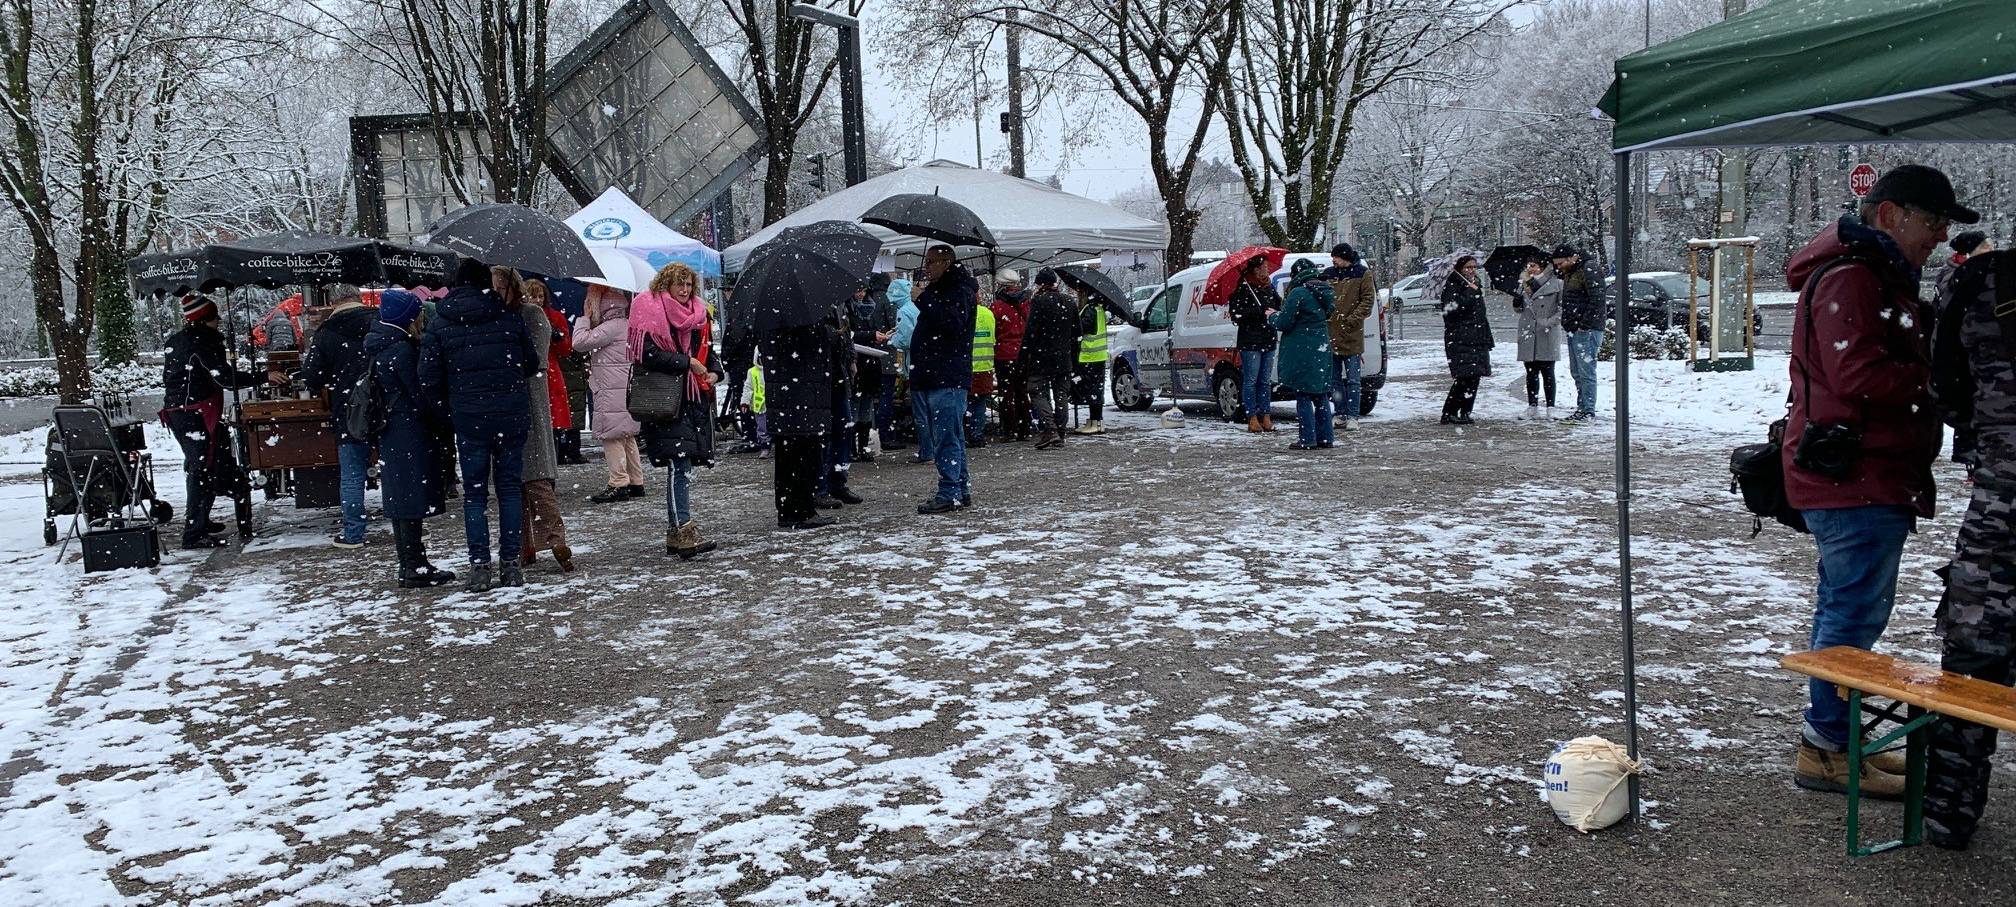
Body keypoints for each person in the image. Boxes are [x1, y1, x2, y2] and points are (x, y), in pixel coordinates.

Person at [1784, 163, 1968, 798]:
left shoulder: (1873, 274)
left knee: (1848, 607)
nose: (1941, 235)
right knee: (1853, 613)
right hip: (1855, 477)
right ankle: (1827, 747)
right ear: (1890, 215)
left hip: (1866, 474)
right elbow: (1856, 373)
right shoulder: (1855, 278)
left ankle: (1834, 741)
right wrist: (1940, 381)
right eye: (1934, 221)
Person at [1925, 247, 2014, 850]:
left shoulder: (1980, 280)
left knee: (1974, 656)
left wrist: (1988, 435)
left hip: (2002, 501)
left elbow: (1944, 384)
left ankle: (1949, 812)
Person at [420, 260, 540, 593]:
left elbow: (428, 377)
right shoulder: (508, 317)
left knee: (474, 494)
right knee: (509, 489)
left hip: (469, 418)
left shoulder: (441, 321)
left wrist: (450, 411)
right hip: (510, 415)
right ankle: (511, 564)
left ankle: (480, 566)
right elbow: (530, 363)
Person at [159, 293, 268, 550]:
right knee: (201, 469)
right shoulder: (203, 342)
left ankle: (200, 521)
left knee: (202, 466)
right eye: (215, 316)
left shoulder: (178, 340)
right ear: (204, 319)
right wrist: (262, 377)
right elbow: (224, 378)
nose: (219, 321)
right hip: (194, 413)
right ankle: (193, 533)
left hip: (180, 412)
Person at [362, 290, 455, 588]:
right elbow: (420, 393)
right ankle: (414, 565)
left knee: (400, 497)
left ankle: (409, 563)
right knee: (411, 497)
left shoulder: (379, 343)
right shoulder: (401, 348)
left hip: (391, 430)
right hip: (409, 430)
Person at [631, 263, 722, 555]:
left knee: (682, 465)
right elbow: (646, 354)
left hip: (692, 398)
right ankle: (683, 529)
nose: (684, 290)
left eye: (688, 284)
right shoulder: (650, 309)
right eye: (679, 284)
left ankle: (677, 532)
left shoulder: (698, 313)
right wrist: (685, 363)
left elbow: (706, 350)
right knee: (678, 463)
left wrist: (714, 371)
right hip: (665, 399)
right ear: (666, 285)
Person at [297, 284, 378, 548]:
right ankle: (409, 526)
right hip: (385, 405)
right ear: (358, 298)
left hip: (349, 409)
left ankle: (354, 533)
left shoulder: (326, 332)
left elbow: (312, 376)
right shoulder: (379, 321)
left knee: (352, 474)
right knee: (394, 469)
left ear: (334, 302)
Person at [910, 244, 978, 513]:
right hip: (940, 373)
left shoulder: (957, 290)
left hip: (945, 375)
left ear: (946, 263)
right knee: (952, 435)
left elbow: (952, 324)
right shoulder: (948, 289)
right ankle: (959, 488)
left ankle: (950, 491)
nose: (926, 267)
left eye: (931, 262)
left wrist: (923, 299)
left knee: (946, 436)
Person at [516, 277, 573, 573]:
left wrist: (558, 336)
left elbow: (557, 352)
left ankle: (541, 542)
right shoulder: (523, 316)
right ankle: (537, 542)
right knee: (529, 479)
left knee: (532, 478)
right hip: (532, 395)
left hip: (535, 392)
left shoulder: (534, 316)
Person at [573, 284, 646, 502]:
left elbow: (579, 342)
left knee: (611, 435)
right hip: (624, 389)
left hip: (610, 390)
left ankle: (618, 482)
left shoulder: (610, 327)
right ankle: (636, 481)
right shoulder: (627, 324)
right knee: (627, 435)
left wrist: (584, 318)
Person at [1272, 259, 1337, 450]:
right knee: (1320, 394)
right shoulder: (1324, 290)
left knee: (1303, 395)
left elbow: (1284, 323)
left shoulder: (1299, 292)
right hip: (1321, 348)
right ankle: (1326, 438)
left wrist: (1272, 316)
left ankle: (1307, 439)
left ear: (1296, 274)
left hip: (1302, 350)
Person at [1322, 244, 1377, 432]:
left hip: (1352, 335)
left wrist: (1352, 320)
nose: (1333, 261)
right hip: (1332, 334)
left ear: (1344, 257)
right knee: (1334, 380)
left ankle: (1353, 415)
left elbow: (1367, 300)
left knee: (1354, 380)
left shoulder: (1362, 273)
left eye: (1335, 257)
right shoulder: (1329, 274)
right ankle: (1340, 413)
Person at [1022, 269, 1079, 450]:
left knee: (1036, 391)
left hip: (1042, 358)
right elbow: (1077, 333)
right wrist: (1073, 358)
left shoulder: (1039, 301)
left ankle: (1051, 428)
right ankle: (1060, 433)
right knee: (1061, 395)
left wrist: (1023, 356)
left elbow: (1030, 333)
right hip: (1064, 358)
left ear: (1041, 284)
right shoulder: (1069, 301)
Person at [1228, 255, 1282, 433]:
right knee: (1251, 380)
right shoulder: (1243, 288)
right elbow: (1236, 314)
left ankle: (1266, 415)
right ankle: (1252, 416)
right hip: (1250, 340)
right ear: (1256, 269)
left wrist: (1275, 310)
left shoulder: (1269, 286)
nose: (1267, 269)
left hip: (1268, 338)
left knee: (1265, 381)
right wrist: (1257, 311)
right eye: (1264, 266)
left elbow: (1278, 304)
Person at [1439, 255, 1494, 425]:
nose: (1472, 270)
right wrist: (1469, 293)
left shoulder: (1475, 285)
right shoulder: (1453, 286)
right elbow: (1449, 310)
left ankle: (1465, 411)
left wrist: (1486, 336)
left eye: (1474, 267)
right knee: (1464, 377)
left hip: (1477, 338)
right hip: (1461, 339)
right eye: (1468, 267)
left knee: (1475, 377)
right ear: (1460, 269)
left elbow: (1480, 314)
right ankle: (1449, 412)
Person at [1553, 245, 1603, 422]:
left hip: (1585, 329)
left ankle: (1588, 409)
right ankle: (1583, 407)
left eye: (1560, 263)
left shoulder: (1587, 269)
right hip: (1575, 328)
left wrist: (1584, 324)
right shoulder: (1572, 271)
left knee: (1586, 372)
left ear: (1571, 258)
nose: (1559, 267)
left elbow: (1597, 299)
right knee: (1578, 372)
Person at [852, 274, 898, 459]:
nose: (861, 294)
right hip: (859, 361)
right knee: (858, 405)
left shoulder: (869, 306)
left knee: (865, 404)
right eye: (858, 291)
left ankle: (863, 447)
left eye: (863, 290)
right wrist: (872, 335)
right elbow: (851, 335)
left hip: (870, 361)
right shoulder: (851, 310)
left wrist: (874, 336)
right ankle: (855, 447)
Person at [1515, 258, 1564, 418]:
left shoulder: (1556, 284)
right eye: (1528, 266)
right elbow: (1519, 309)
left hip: (1546, 332)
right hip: (1528, 331)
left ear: (1543, 268)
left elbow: (1563, 309)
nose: (1530, 269)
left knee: (1548, 371)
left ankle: (1550, 407)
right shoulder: (1523, 284)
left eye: (1533, 265)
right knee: (1531, 371)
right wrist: (1517, 298)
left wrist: (1548, 322)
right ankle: (1532, 406)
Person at [990, 269, 1032, 442]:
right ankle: (1025, 429)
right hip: (1023, 353)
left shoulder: (997, 306)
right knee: (1022, 392)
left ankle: (1009, 430)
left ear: (1001, 284)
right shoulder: (1026, 304)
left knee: (1006, 393)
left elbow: (994, 330)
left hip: (1004, 354)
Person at [1071, 277, 1114, 436]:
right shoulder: (1098, 309)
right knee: (1095, 389)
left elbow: (1081, 328)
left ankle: (1096, 421)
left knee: (1092, 390)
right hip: (1097, 356)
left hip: (1090, 356)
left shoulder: (1090, 310)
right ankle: (1095, 421)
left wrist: (1075, 321)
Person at [882, 275, 914, 451]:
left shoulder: (903, 311)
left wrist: (890, 339)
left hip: (910, 361)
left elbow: (906, 339)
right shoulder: (912, 308)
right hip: (914, 360)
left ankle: (926, 449)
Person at [967, 288, 998, 446]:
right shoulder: (988, 313)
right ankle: (977, 435)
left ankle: (965, 434)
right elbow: (993, 338)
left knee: (964, 403)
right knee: (980, 404)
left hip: (967, 366)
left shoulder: (965, 313)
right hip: (985, 366)